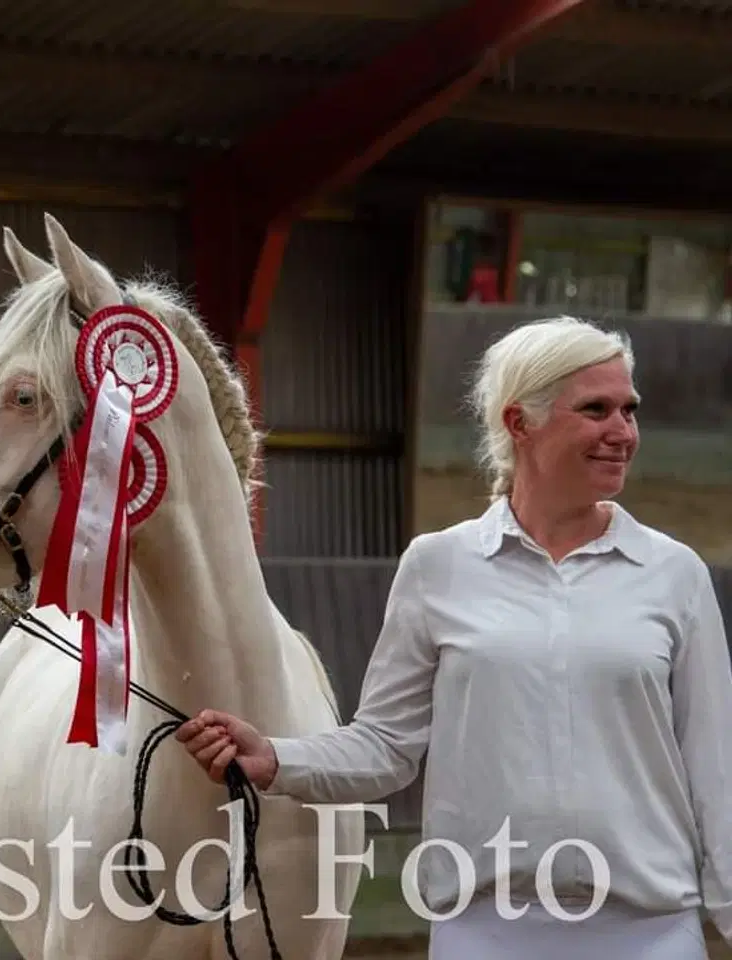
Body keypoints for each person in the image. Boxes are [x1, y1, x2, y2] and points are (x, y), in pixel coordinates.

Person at [176, 316, 732, 958]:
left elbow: (714, 771)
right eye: (596, 410)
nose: (623, 433)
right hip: (483, 933)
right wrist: (277, 759)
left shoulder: (674, 574)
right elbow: (386, 746)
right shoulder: (436, 567)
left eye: (629, 411)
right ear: (519, 422)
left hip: (651, 935)